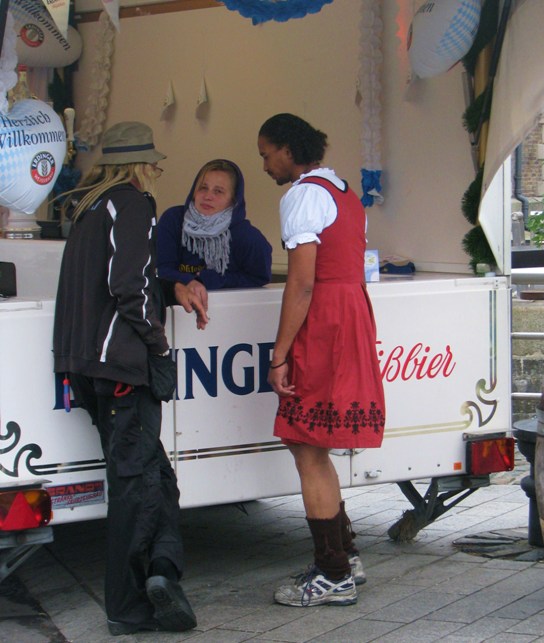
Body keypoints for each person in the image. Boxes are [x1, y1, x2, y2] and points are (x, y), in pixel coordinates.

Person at [53, 121, 208, 636]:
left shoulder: (88, 208)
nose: (158, 173)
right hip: (122, 366)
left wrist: (171, 287)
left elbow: (118, 282)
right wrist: (158, 343)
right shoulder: (133, 204)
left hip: (86, 364)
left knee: (154, 479)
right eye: (156, 165)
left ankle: (163, 573)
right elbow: (128, 288)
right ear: (141, 166)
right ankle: (128, 605)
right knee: (137, 487)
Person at [257, 113, 386, 607]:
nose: (266, 164)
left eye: (268, 153)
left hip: (325, 320)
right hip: (349, 312)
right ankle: (344, 556)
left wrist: (280, 353)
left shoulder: (303, 195)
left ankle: (334, 573)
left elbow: (303, 281)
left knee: (307, 445)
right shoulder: (343, 191)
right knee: (313, 444)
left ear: (288, 149)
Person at [157, 159, 272, 294]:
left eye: (218, 191)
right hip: (176, 307)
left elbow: (259, 278)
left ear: (233, 200)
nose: (208, 196)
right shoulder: (173, 220)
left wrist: (212, 280)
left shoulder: (247, 236)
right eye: (203, 188)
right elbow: (161, 269)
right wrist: (189, 281)